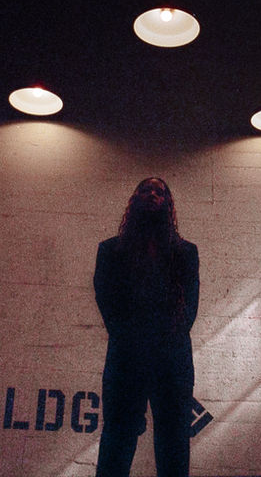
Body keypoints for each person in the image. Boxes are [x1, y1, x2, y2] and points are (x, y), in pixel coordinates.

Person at [94, 177, 200, 477]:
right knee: (117, 439)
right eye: (146, 190)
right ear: (134, 199)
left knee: (174, 444)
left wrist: (164, 347)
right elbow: (107, 305)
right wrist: (132, 346)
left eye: (160, 191)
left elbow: (189, 309)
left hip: (172, 362)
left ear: (168, 202)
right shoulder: (111, 251)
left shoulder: (186, 253)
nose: (153, 194)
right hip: (126, 359)